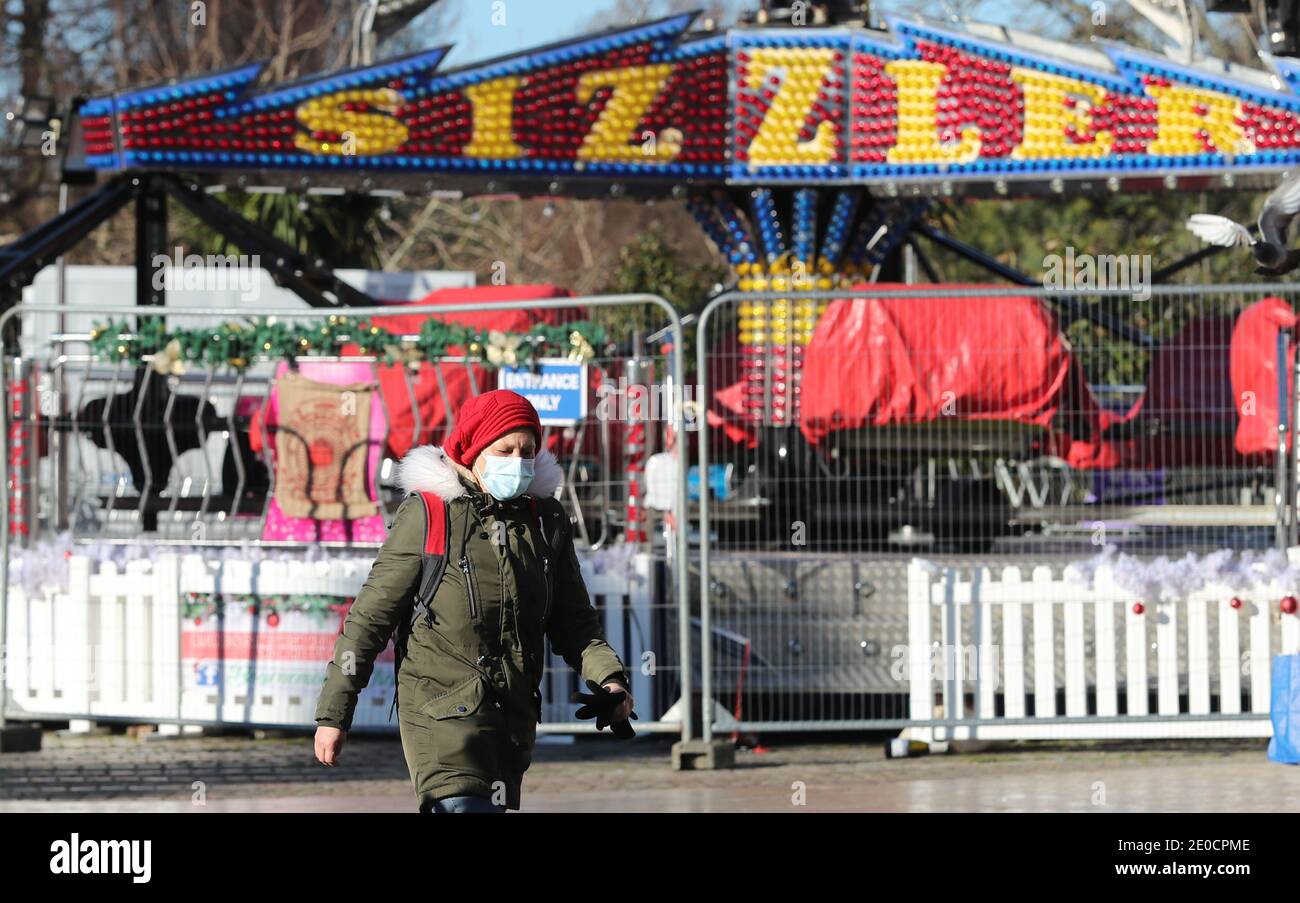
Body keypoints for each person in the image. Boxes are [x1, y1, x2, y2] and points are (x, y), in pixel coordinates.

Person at [312, 389, 633, 812]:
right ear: (473, 449)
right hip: (440, 716)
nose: (518, 462)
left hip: (511, 723)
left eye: (527, 451)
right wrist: (335, 715)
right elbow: (370, 619)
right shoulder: (430, 514)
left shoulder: (544, 521)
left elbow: (575, 624)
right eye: (504, 450)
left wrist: (611, 681)